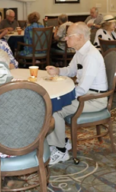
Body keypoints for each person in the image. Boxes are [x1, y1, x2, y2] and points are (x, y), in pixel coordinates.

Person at [46, 22, 108, 165]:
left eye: (68, 36)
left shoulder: (91, 56)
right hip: (85, 95)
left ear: (80, 37)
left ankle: (61, 151)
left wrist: (62, 97)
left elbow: (82, 89)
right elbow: (71, 70)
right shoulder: (81, 52)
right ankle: (64, 141)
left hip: (94, 99)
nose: (65, 39)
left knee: (55, 109)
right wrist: (57, 71)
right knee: (53, 104)